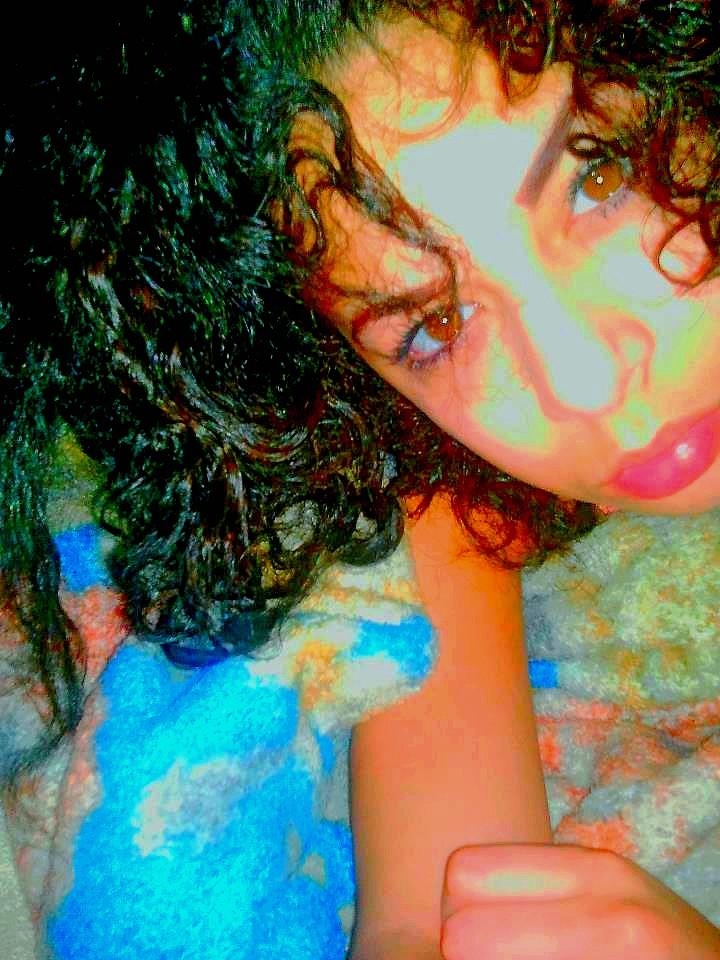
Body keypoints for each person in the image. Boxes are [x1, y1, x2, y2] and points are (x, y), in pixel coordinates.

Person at [1, 1, 719, 958]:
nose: (584, 383)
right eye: (437, 327)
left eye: (600, 178)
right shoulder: (453, 477)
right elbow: (440, 919)